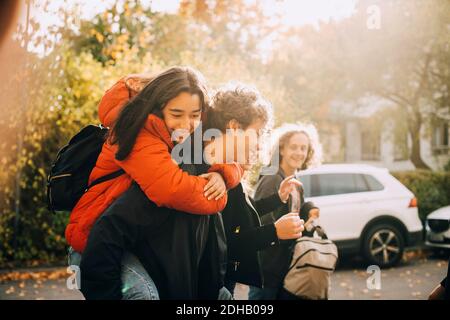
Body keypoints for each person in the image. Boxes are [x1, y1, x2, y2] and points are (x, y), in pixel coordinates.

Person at [79, 83, 304, 299]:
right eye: (259, 133)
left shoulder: (218, 174)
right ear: (234, 127)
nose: (260, 144)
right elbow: (109, 232)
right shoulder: (182, 175)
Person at [66, 67, 243, 299]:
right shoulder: (137, 131)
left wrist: (223, 174)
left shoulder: (187, 132)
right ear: (158, 108)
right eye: (177, 114)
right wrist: (218, 194)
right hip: (94, 243)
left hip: (132, 239)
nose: (187, 123)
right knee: (145, 296)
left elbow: (231, 153)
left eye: (195, 115)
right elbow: (172, 190)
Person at [249, 123, 323, 300]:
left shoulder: (293, 179)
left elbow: (295, 211)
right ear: (281, 150)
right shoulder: (272, 178)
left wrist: (309, 208)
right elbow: (260, 222)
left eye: (303, 148)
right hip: (267, 271)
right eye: (294, 147)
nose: (299, 152)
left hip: (286, 267)